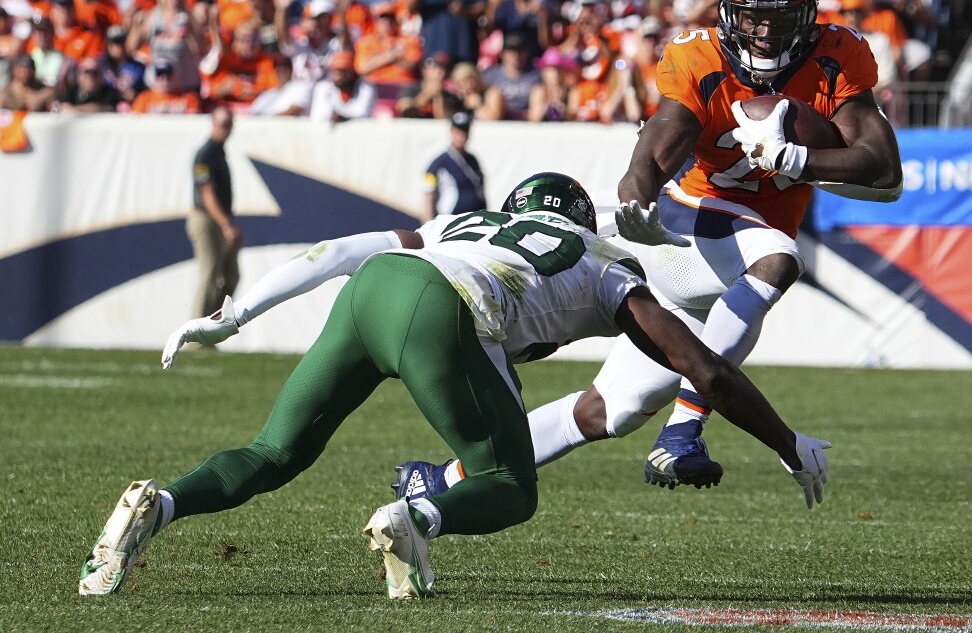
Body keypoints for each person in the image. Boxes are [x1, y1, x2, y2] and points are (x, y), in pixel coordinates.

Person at [83, 172, 830, 599]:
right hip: (442, 312)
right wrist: (786, 442)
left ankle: (163, 504)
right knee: (511, 485)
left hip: (375, 289)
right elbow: (702, 368)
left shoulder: (461, 221)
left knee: (273, 453)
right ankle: (415, 519)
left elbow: (340, 251)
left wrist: (234, 313)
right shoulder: (605, 260)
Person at [399, 0, 901, 493]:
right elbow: (660, 141)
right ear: (727, 10)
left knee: (605, 411)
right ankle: (684, 430)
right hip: (685, 226)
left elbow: (884, 167)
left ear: (808, 8)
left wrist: (800, 157)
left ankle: (437, 480)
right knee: (780, 260)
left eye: (777, 16)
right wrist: (638, 194)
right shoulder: (699, 56)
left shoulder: (838, 55)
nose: (762, 31)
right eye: (750, 16)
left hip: (721, 270)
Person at [186, 107, 241, 319]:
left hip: (219, 219)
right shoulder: (206, 154)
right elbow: (206, 194)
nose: (225, 129)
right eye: (221, 123)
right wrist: (226, 224)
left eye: (228, 124)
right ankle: (196, 334)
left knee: (231, 275)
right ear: (213, 124)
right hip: (206, 219)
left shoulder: (218, 152)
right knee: (209, 274)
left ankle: (212, 325)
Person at [421, 110, 485, 223]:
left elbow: (480, 190)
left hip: (475, 221)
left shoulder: (473, 160)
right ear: (451, 131)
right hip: (451, 223)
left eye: (465, 131)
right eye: (458, 131)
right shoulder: (438, 164)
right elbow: (429, 198)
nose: (462, 135)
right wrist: (428, 226)